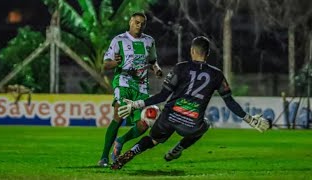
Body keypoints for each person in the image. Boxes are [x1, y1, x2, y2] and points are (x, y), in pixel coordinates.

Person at [111, 36, 270, 170]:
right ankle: (177, 150)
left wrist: (136, 104)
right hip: (191, 124)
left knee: (153, 140)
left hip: (169, 117)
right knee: (205, 124)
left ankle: (132, 151)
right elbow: (229, 102)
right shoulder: (217, 75)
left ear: (192, 51)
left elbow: (162, 95)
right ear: (207, 53)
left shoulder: (181, 68)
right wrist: (250, 119)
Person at [97, 12, 163, 167]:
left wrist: (157, 70)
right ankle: (104, 157)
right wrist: (116, 63)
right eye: (136, 22)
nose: (139, 26)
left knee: (144, 123)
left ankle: (120, 141)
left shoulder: (149, 41)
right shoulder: (119, 40)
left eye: (142, 23)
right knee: (119, 115)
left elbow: (153, 61)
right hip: (124, 82)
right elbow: (105, 65)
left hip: (141, 87)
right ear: (130, 22)